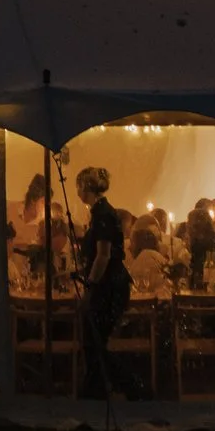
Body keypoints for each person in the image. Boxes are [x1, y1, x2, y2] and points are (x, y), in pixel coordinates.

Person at [73, 165, 139, 400]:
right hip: (110, 284)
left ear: (85, 187)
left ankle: (130, 386)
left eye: (78, 186)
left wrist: (89, 286)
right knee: (94, 341)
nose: (77, 192)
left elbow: (103, 255)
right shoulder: (101, 212)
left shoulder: (102, 215)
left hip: (109, 287)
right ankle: (99, 390)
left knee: (94, 341)